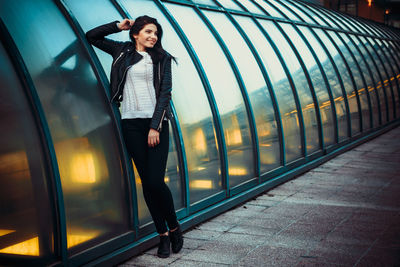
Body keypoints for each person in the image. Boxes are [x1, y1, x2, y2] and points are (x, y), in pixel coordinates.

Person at [86, 16, 183, 258]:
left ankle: (174, 228)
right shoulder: (120, 50)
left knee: (154, 181)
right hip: (130, 124)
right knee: (146, 183)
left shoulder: (162, 58)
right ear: (136, 33)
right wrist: (118, 25)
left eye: (156, 33)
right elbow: (92, 36)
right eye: (148, 31)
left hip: (155, 125)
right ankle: (162, 235)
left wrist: (155, 126)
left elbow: (165, 94)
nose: (153, 36)